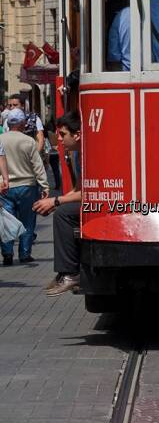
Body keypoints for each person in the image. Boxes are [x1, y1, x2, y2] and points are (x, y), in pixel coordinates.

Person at [32, 111, 81, 296]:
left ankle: (70, 273)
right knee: (62, 211)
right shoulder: (77, 154)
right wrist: (55, 203)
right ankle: (64, 273)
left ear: (77, 134)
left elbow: (90, 193)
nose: (59, 139)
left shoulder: (86, 154)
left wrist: (57, 200)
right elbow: (78, 189)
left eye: (63, 135)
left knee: (63, 215)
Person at [0, 108, 49, 265]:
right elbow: (37, 165)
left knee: (6, 220)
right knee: (28, 220)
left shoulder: (1, 139)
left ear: (8, 122)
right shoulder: (29, 141)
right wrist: (45, 185)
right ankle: (25, 253)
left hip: (5, 187)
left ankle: (7, 253)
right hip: (27, 185)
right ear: (22, 123)